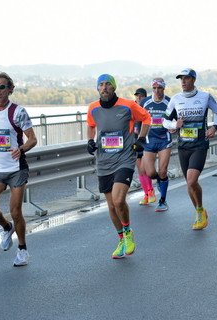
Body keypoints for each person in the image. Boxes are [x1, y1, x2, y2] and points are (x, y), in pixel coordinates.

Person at [86, 74, 151, 259]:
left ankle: (128, 232)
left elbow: (146, 118)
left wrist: (141, 139)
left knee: (118, 200)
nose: (104, 87)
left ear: (114, 88)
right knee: (111, 206)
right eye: (101, 85)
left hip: (125, 158)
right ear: (98, 88)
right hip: (104, 161)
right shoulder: (93, 108)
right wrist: (90, 140)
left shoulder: (128, 105)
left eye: (108, 84)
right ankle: (121, 239)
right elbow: (91, 126)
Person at [163, 68, 217, 230]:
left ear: (193, 80)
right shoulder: (175, 99)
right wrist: (175, 124)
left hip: (200, 145)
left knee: (191, 180)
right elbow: (164, 121)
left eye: (186, 78)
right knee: (189, 184)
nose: (183, 81)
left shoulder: (205, 97)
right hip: (183, 146)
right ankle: (200, 211)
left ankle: (199, 212)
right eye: (181, 79)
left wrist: (214, 127)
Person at [0, 72, 37, 266]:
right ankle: (6, 227)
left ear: (10, 89)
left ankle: (22, 250)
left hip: (16, 168)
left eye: (2, 87)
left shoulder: (17, 112)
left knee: (15, 210)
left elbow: (32, 139)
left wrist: (20, 149)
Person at [140, 78, 171, 211]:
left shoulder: (169, 102)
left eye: (160, 88)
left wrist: (174, 126)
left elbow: (175, 118)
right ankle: (160, 180)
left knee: (162, 171)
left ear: (164, 88)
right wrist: (138, 136)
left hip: (165, 139)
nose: (157, 91)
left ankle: (163, 201)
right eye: (154, 88)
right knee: (151, 173)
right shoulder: (145, 102)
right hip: (149, 140)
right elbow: (138, 119)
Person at [133, 88, 156, 206]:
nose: (138, 98)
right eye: (137, 96)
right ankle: (146, 194)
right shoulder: (132, 109)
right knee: (140, 170)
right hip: (135, 141)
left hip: (146, 140)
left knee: (145, 169)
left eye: (141, 96)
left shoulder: (146, 109)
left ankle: (151, 190)